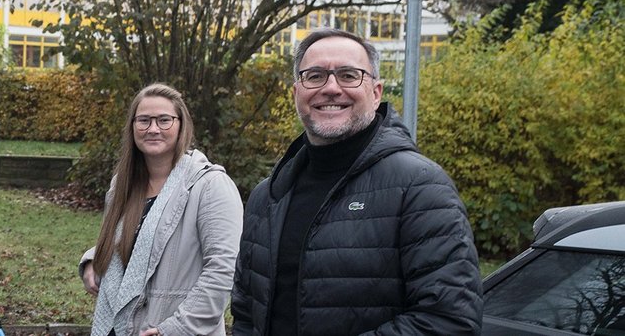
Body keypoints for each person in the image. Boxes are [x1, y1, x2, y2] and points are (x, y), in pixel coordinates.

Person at [230, 28, 482, 335]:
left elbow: (449, 321)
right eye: (315, 76)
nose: (331, 88)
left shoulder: (420, 187)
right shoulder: (267, 196)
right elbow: (245, 312)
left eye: (349, 75)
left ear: (376, 93)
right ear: (297, 93)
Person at [78, 84, 243, 336]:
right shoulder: (122, 185)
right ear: (132, 126)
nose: (153, 129)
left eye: (164, 120)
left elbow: (222, 269)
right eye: (144, 120)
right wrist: (95, 259)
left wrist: (175, 329)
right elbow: (135, 244)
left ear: (181, 125)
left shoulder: (210, 185)